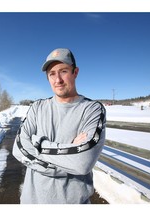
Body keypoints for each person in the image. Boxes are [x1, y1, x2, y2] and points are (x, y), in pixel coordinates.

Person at [12, 48, 106, 204]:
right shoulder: (37, 107)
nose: (58, 80)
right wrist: (70, 151)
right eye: (52, 74)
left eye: (63, 71)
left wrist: (39, 144)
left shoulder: (92, 109)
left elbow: (82, 163)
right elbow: (19, 148)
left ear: (75, 72)